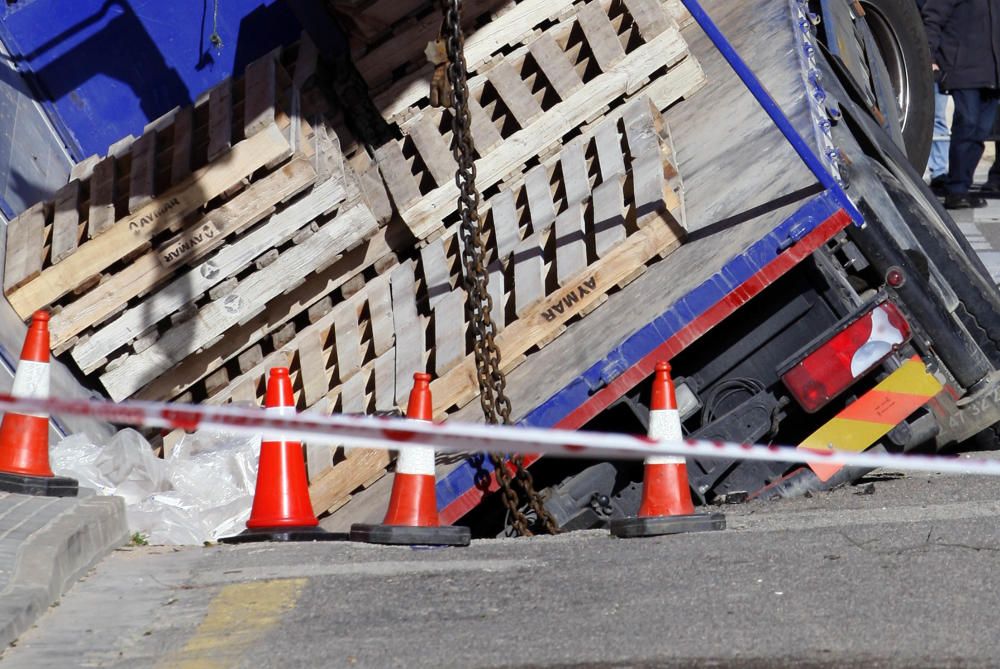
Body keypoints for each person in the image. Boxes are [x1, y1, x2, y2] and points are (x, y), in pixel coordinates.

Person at [922, 0, 1000, 209]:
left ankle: (961, 188)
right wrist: (929, 56)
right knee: (967, 125)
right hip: (962, 69)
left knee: (980, 133)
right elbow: (932, 18)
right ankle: (956, 190)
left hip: (993, 73)